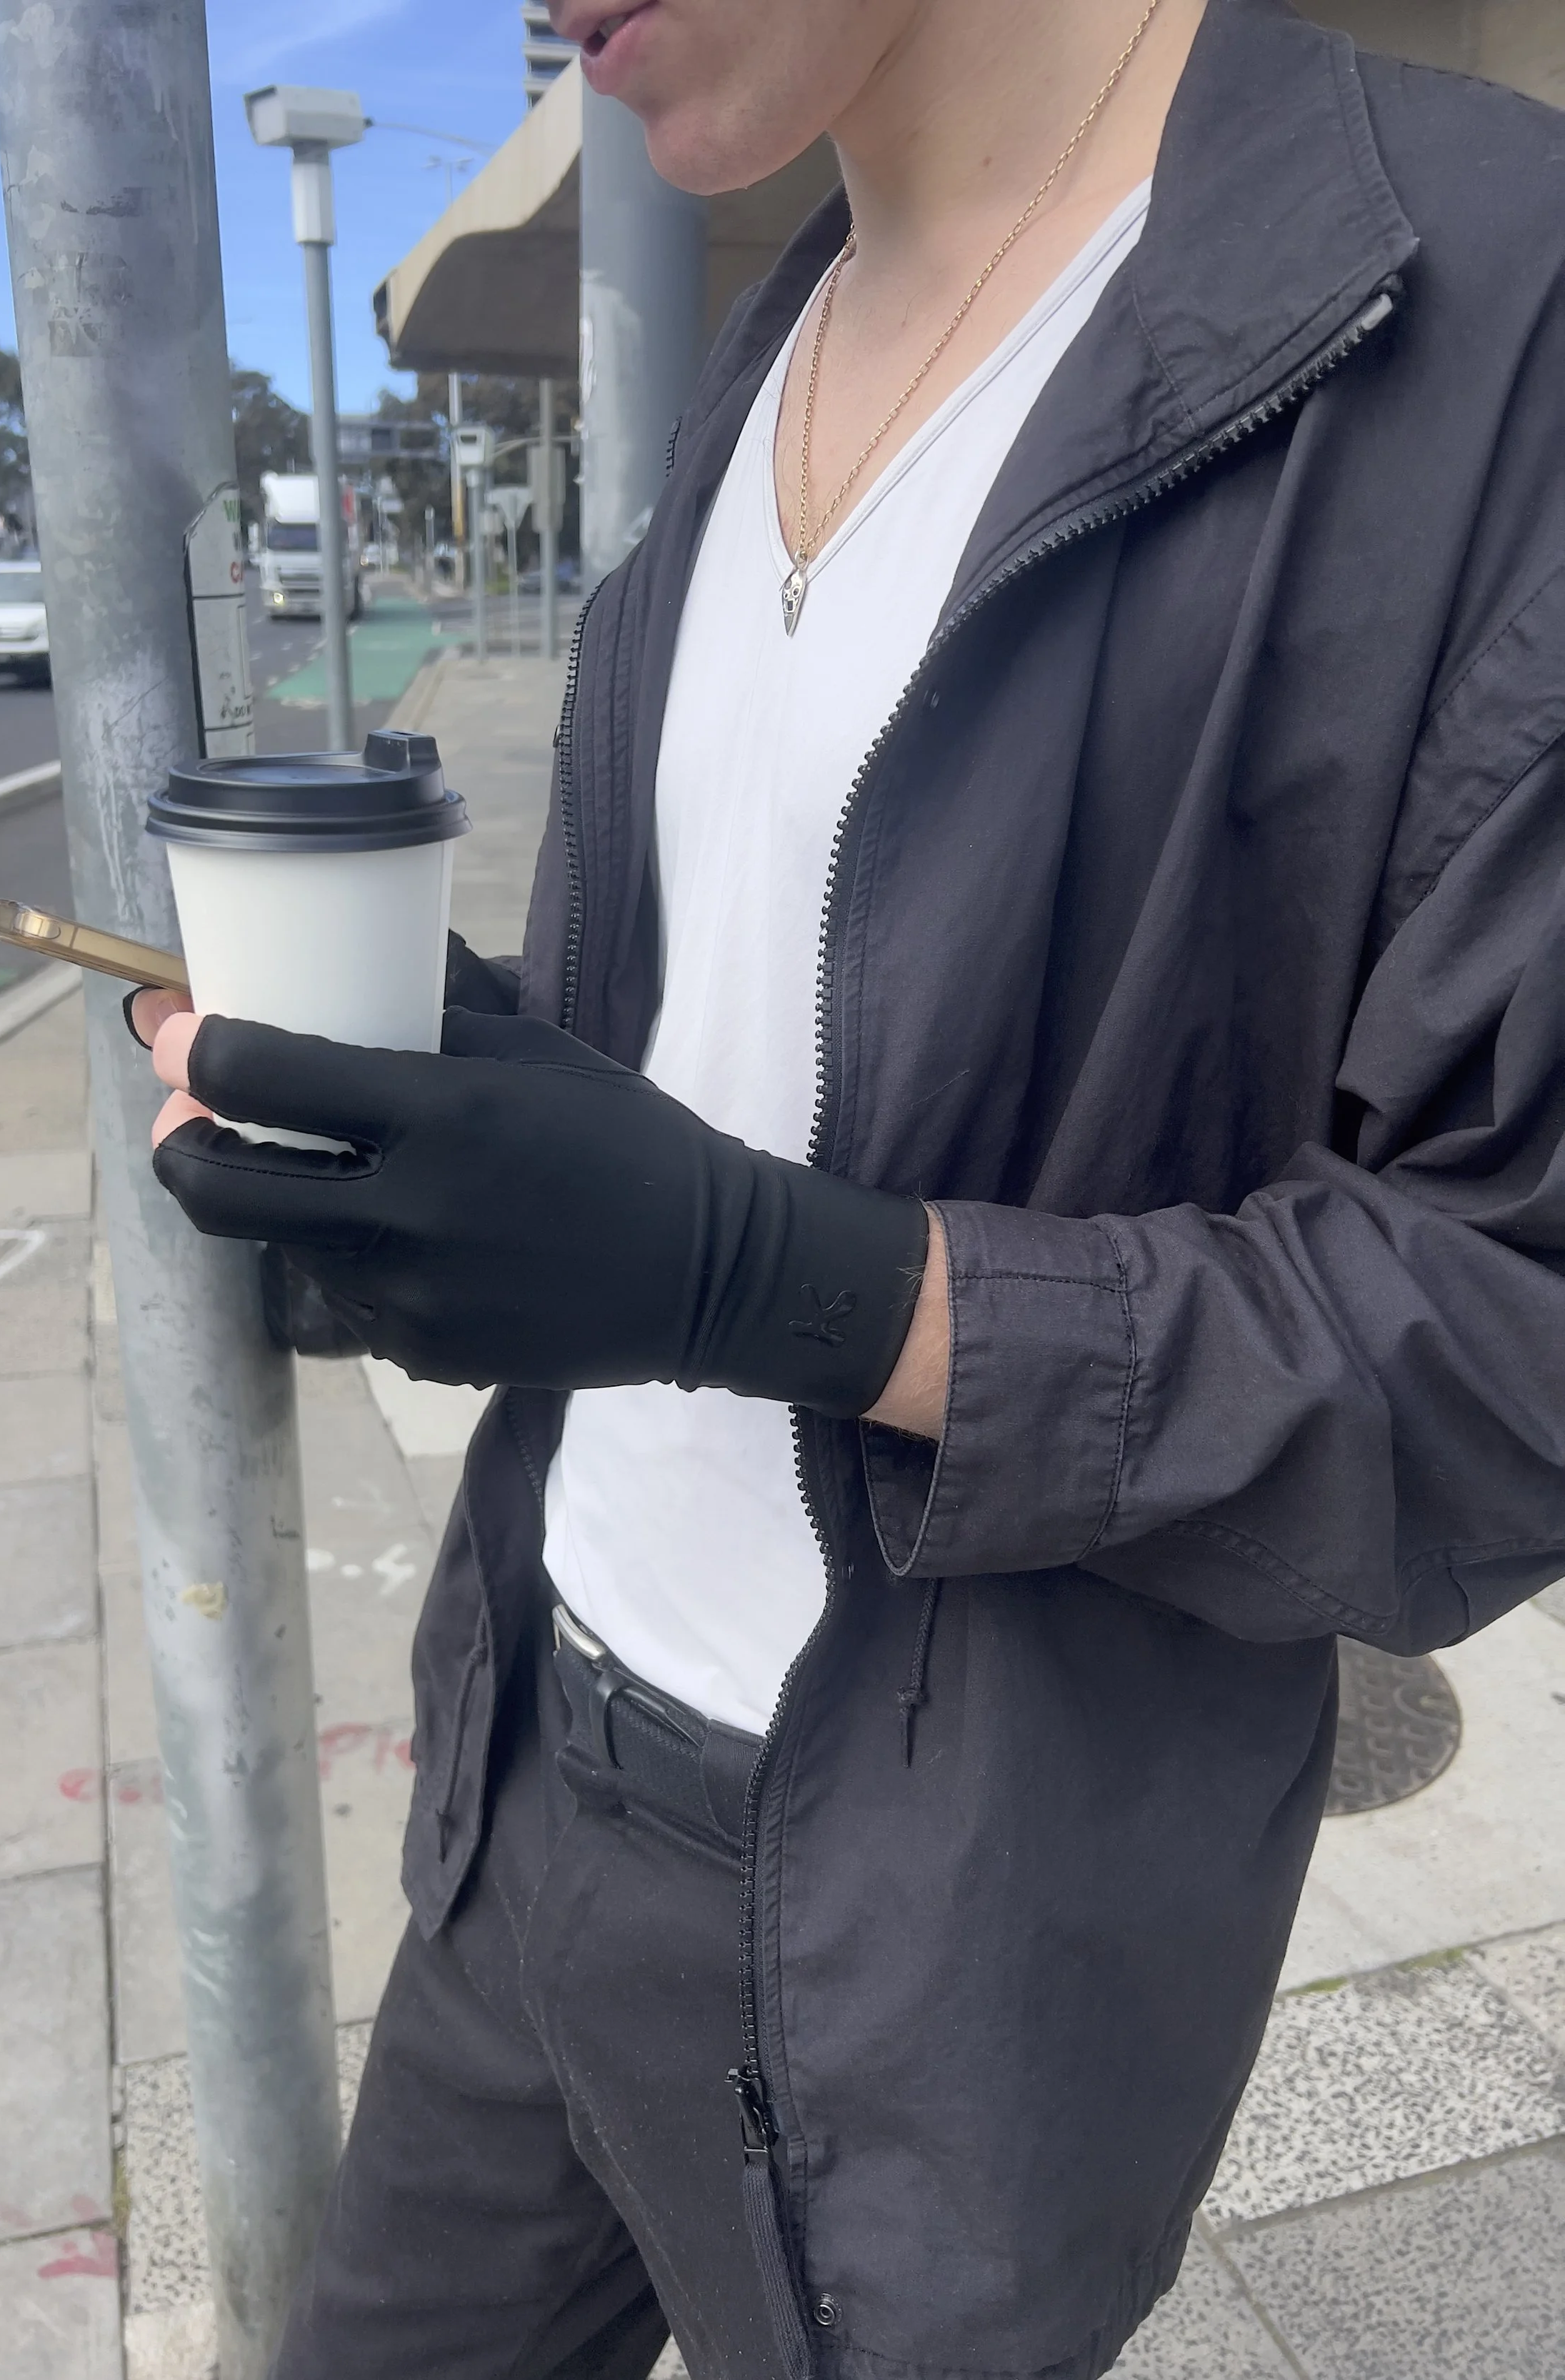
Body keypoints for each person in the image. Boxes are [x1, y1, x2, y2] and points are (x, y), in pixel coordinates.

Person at [132, 0, 1565, 2371]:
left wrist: (782, 1283)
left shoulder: (1487, 318)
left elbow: (1511, 1345)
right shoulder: (763, 336)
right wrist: (468, 1144)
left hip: (949, 1940)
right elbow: (738, 1059)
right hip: (523, 1769)